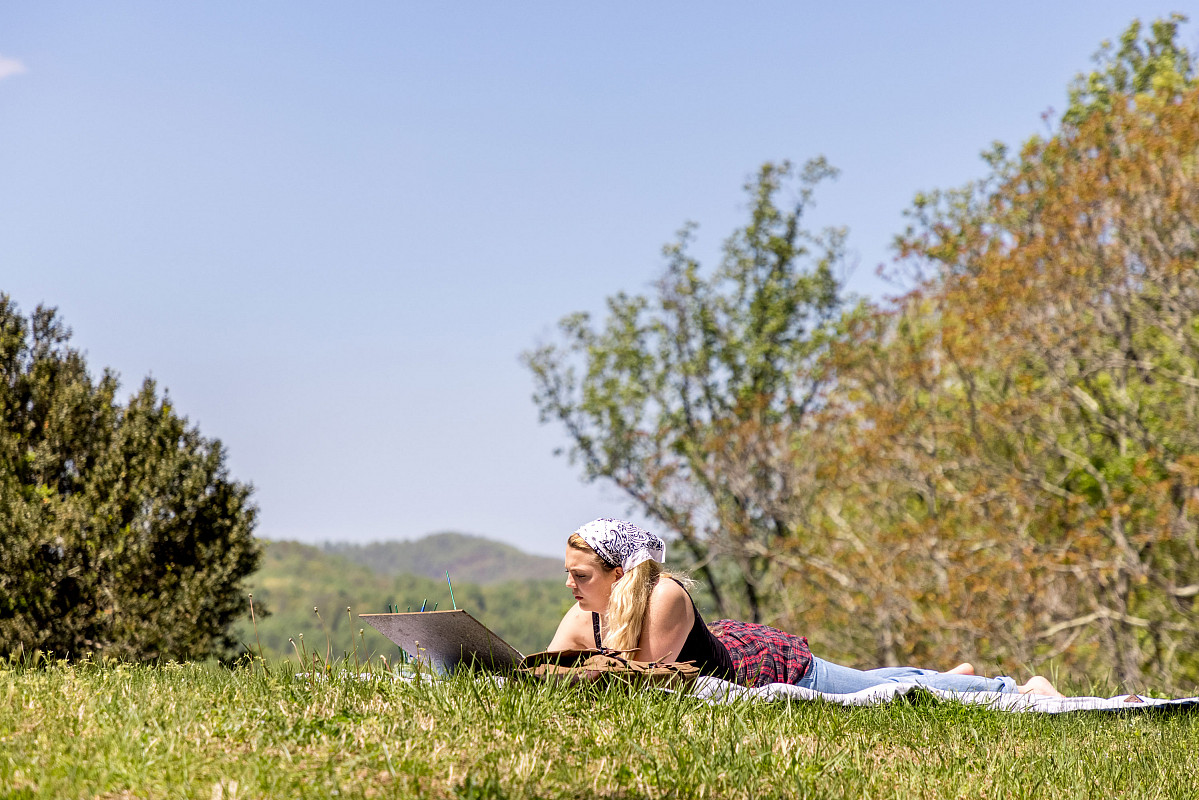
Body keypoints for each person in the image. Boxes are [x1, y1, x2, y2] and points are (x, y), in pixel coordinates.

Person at [548, 518, 1063, 697]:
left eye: (581, 575)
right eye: (568, 573)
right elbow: (544, 678)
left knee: (881, 691)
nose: (569, 584)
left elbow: (648, 686)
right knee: (881, 681)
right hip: (735, 652)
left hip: (766, 668)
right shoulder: (581, 617)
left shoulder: (664, 595)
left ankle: (1016, 689)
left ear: (620, 574)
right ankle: (946, 679)